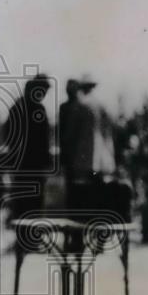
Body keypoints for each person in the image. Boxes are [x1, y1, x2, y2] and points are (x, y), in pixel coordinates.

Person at [58, 75, 116, 211]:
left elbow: (70, 135)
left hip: (83, 159)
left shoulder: (79, 106)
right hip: (102, 160)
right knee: (97, 194)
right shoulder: (102, 106)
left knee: (80, 195)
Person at [3, 73, 53, 223]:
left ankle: (24, 240)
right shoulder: (34, 109)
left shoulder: (17, 107)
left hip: (25, 164)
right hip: (30, 165)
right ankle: (29, 240)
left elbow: (7, 134)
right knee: (31, 203)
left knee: (24, 203)